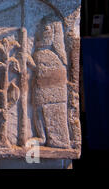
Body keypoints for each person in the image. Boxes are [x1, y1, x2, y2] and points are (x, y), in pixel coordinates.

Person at [32, 15, 70, 148]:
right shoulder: (39, 52)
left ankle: (56, 139)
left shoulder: (53, 56)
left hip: (52, 92)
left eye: (46, 29)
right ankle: (43, 136)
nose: (41, 32)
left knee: (50, 109)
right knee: (38, 108)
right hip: (40, 88)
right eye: (40, 28)